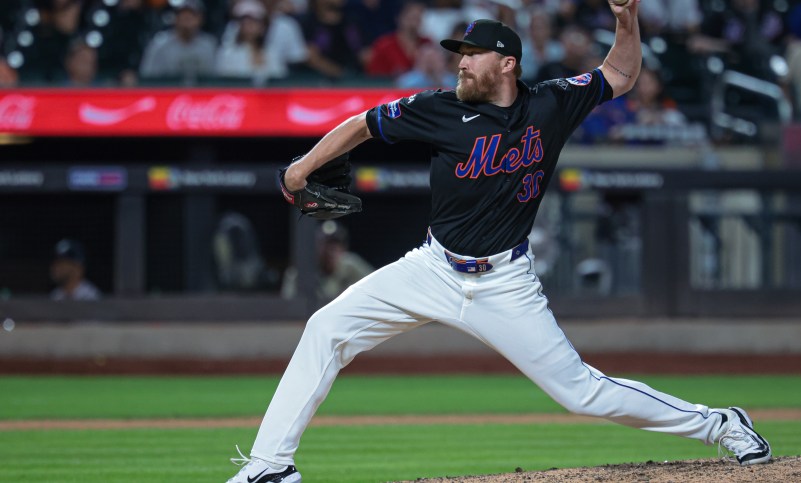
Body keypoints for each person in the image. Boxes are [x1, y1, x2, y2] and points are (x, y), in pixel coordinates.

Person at [226, 7, 772, 483]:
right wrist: (302, 167)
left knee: (580, 392)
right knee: (326, 327)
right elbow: (364, 124)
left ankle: (721, 424)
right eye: (459, 53)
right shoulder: (438, 108)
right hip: (433, 268)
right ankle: (272, 464)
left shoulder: (550, 105)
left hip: (505, 282)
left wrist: (626, 19)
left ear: (507, 63)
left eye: (473, 54)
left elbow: (622, 73)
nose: (461, 62)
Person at [280, 221, 374, 304]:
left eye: (336, 244)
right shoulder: (302, 270)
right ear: (316, 247)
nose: (330, 251)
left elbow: (376, 287)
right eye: (326, 244)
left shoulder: (350, 266)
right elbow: (287, 306)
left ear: (344, 248)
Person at [138, 0, 217, 81]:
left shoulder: (209, 45)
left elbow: (217, 80)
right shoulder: (160, 44)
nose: (187, 18)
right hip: (167, 92)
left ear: (200, 18)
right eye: (182, 14)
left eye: (192, 14)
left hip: (202, 93)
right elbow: (148, 79)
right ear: (175, 17)